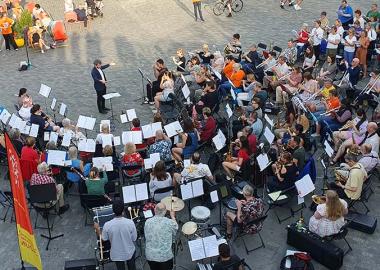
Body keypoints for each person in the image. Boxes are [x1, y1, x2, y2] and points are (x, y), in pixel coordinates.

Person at [94, 200, 137, 270]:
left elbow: (104, 239)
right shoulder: (130, 223)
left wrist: (98, 230)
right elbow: (134, 238)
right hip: (130, 252)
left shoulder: (107, 225)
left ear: (113, 211)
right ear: (123, 211)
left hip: (116, 254)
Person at [144, 203, 178, 270]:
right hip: (165, 258)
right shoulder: (170, 222)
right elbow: (176, 228)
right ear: (165, 211)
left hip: (151, 256)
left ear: (154, 210)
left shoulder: (147, 222)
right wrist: (173, 216)